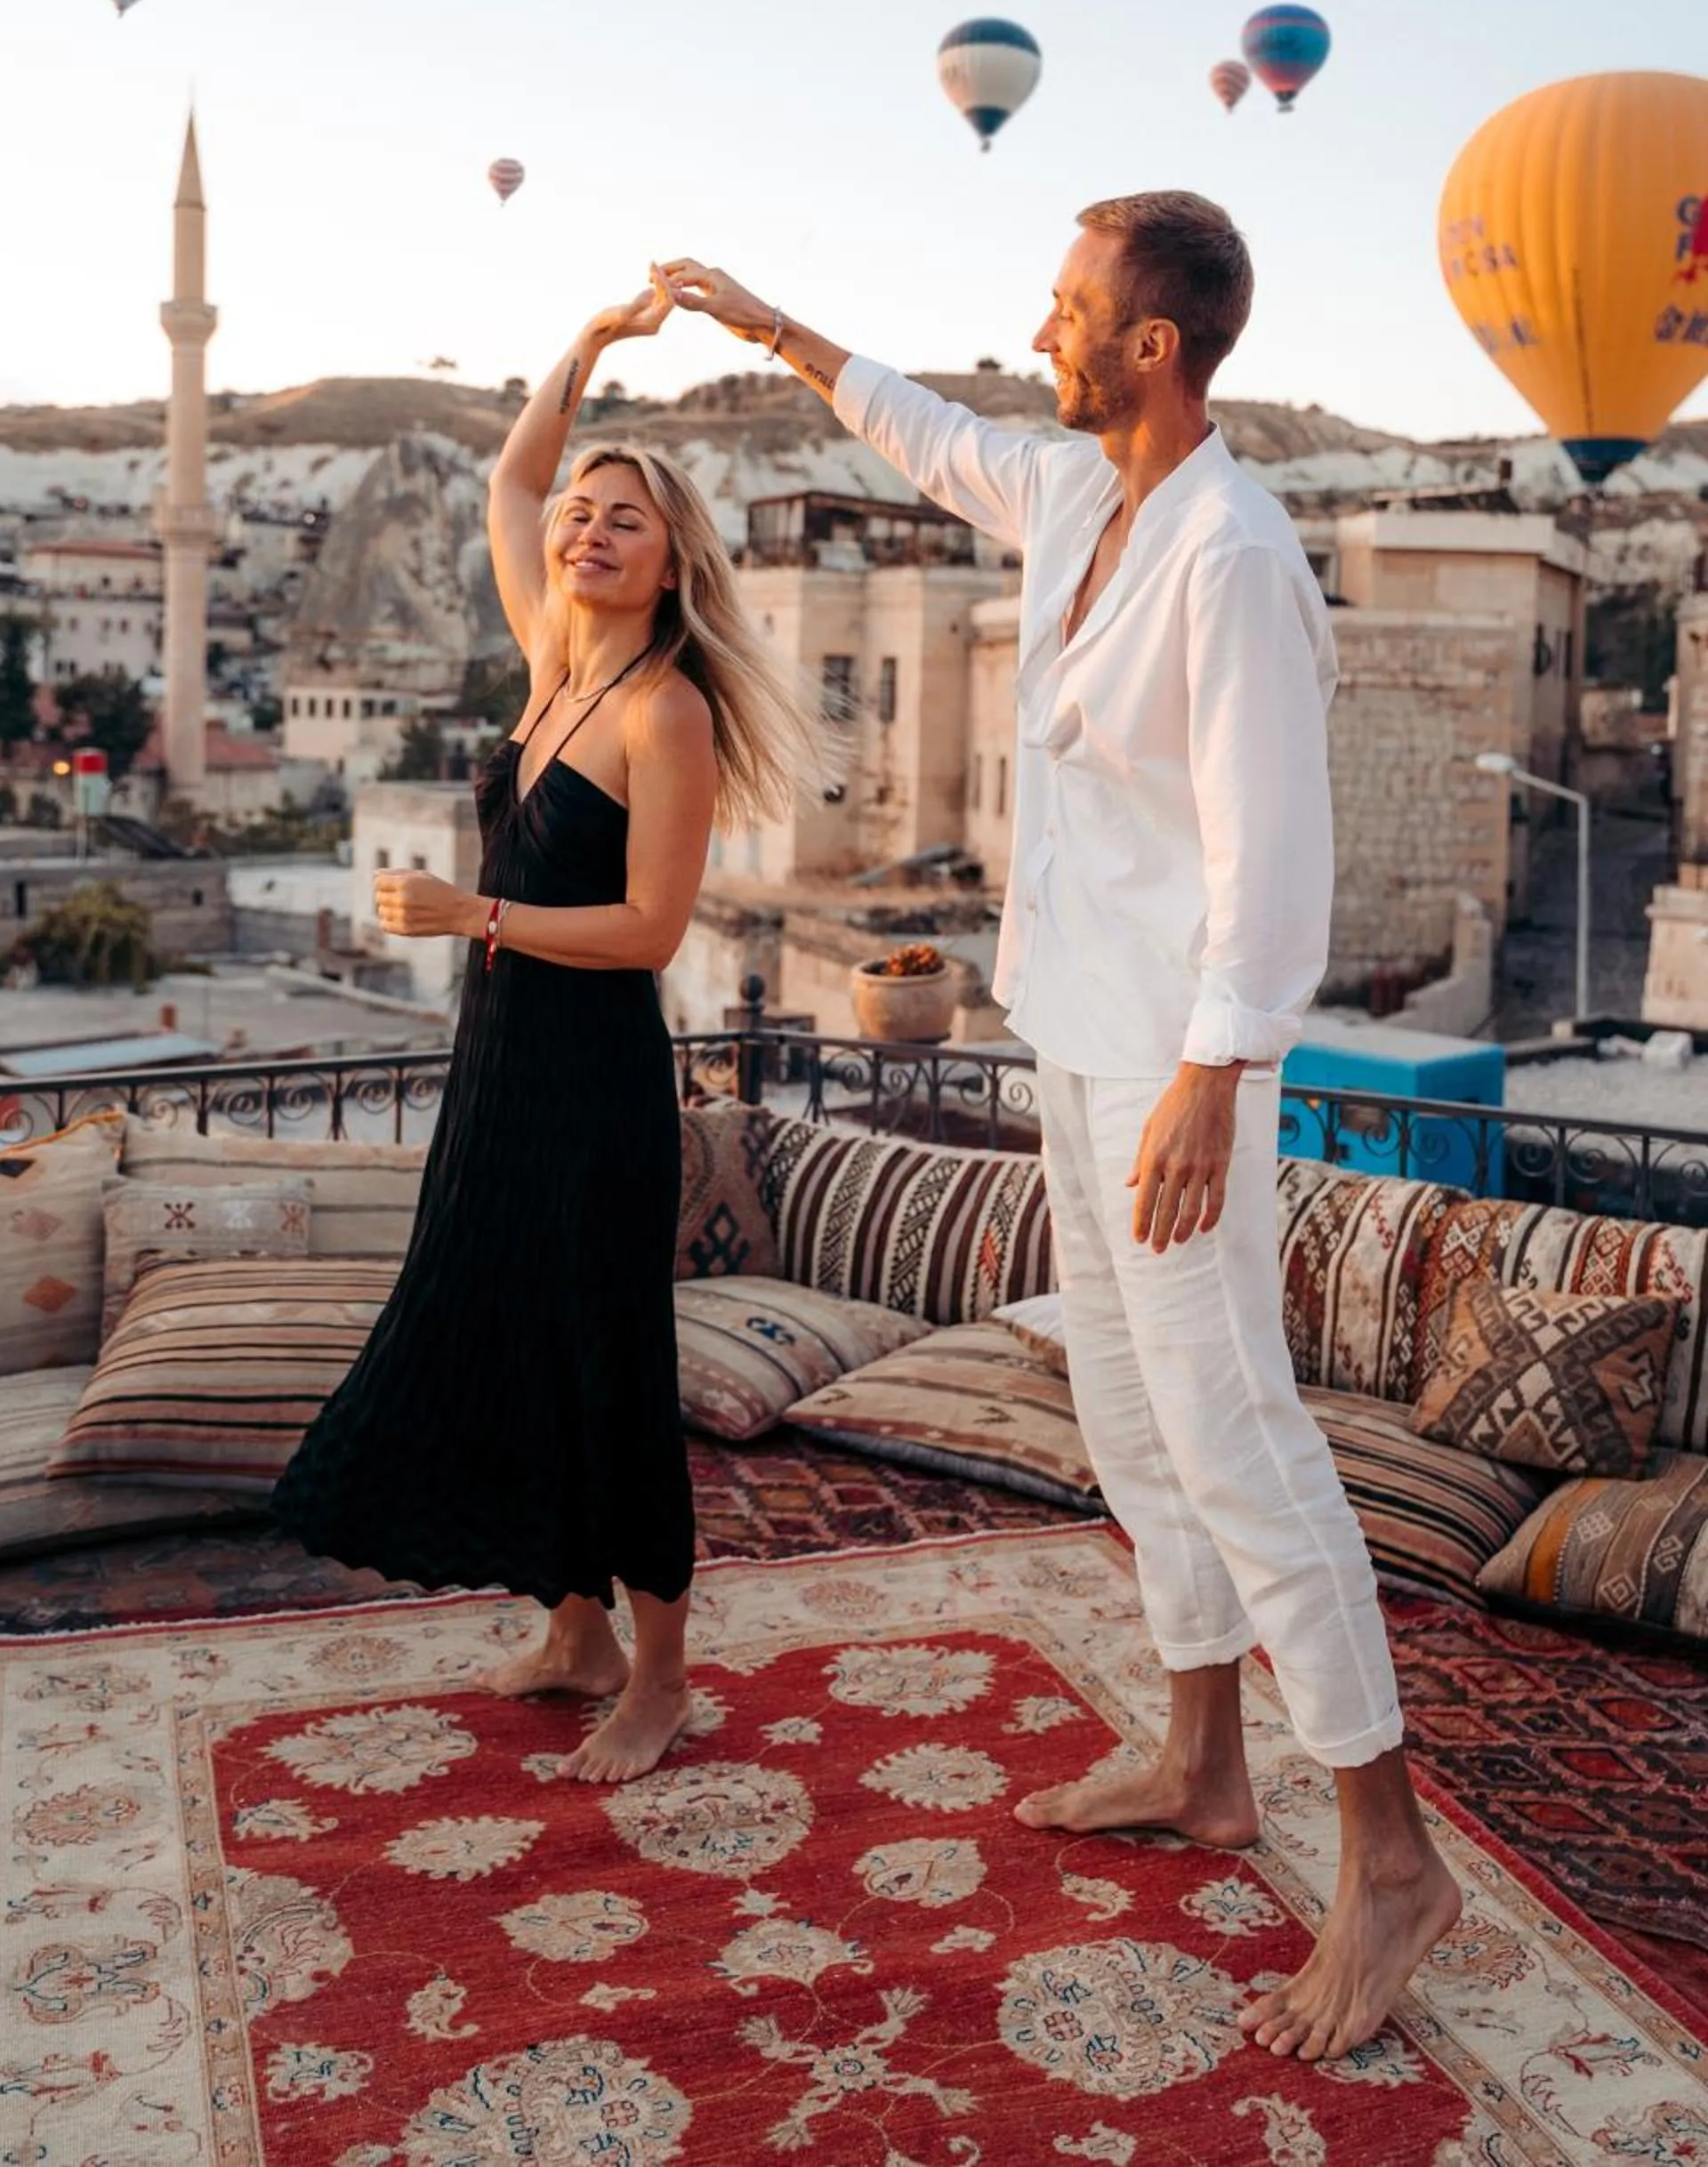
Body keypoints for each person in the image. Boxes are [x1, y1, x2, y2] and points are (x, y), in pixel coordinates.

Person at [661, 201, 1462, 2059]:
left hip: (1171, 1068)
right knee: (1125, 1412)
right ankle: (1199, 1763)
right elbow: (931, 436)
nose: (1040, 329)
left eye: (1071, 309)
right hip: (1073, 1037)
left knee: (1240, 1438)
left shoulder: (1233, 557)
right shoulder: (1084, 499)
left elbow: (1274, 849)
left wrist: (1216, 1069)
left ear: (1154, 347)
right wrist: (775, 325)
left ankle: (1391, 1851)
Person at [272, 270, 818, 1784]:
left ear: (670, 564)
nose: (581, 527)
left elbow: (651, 933)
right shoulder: (552, 665)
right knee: (511, 1340)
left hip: (591, 1087)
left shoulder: (667, 711)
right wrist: (590, 348)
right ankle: (572, 1631)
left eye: (621, 519)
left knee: (607, 1367)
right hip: (499, 1072)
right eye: (582, 512)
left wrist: (479, 920)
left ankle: (660, 1677)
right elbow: (513, 474)